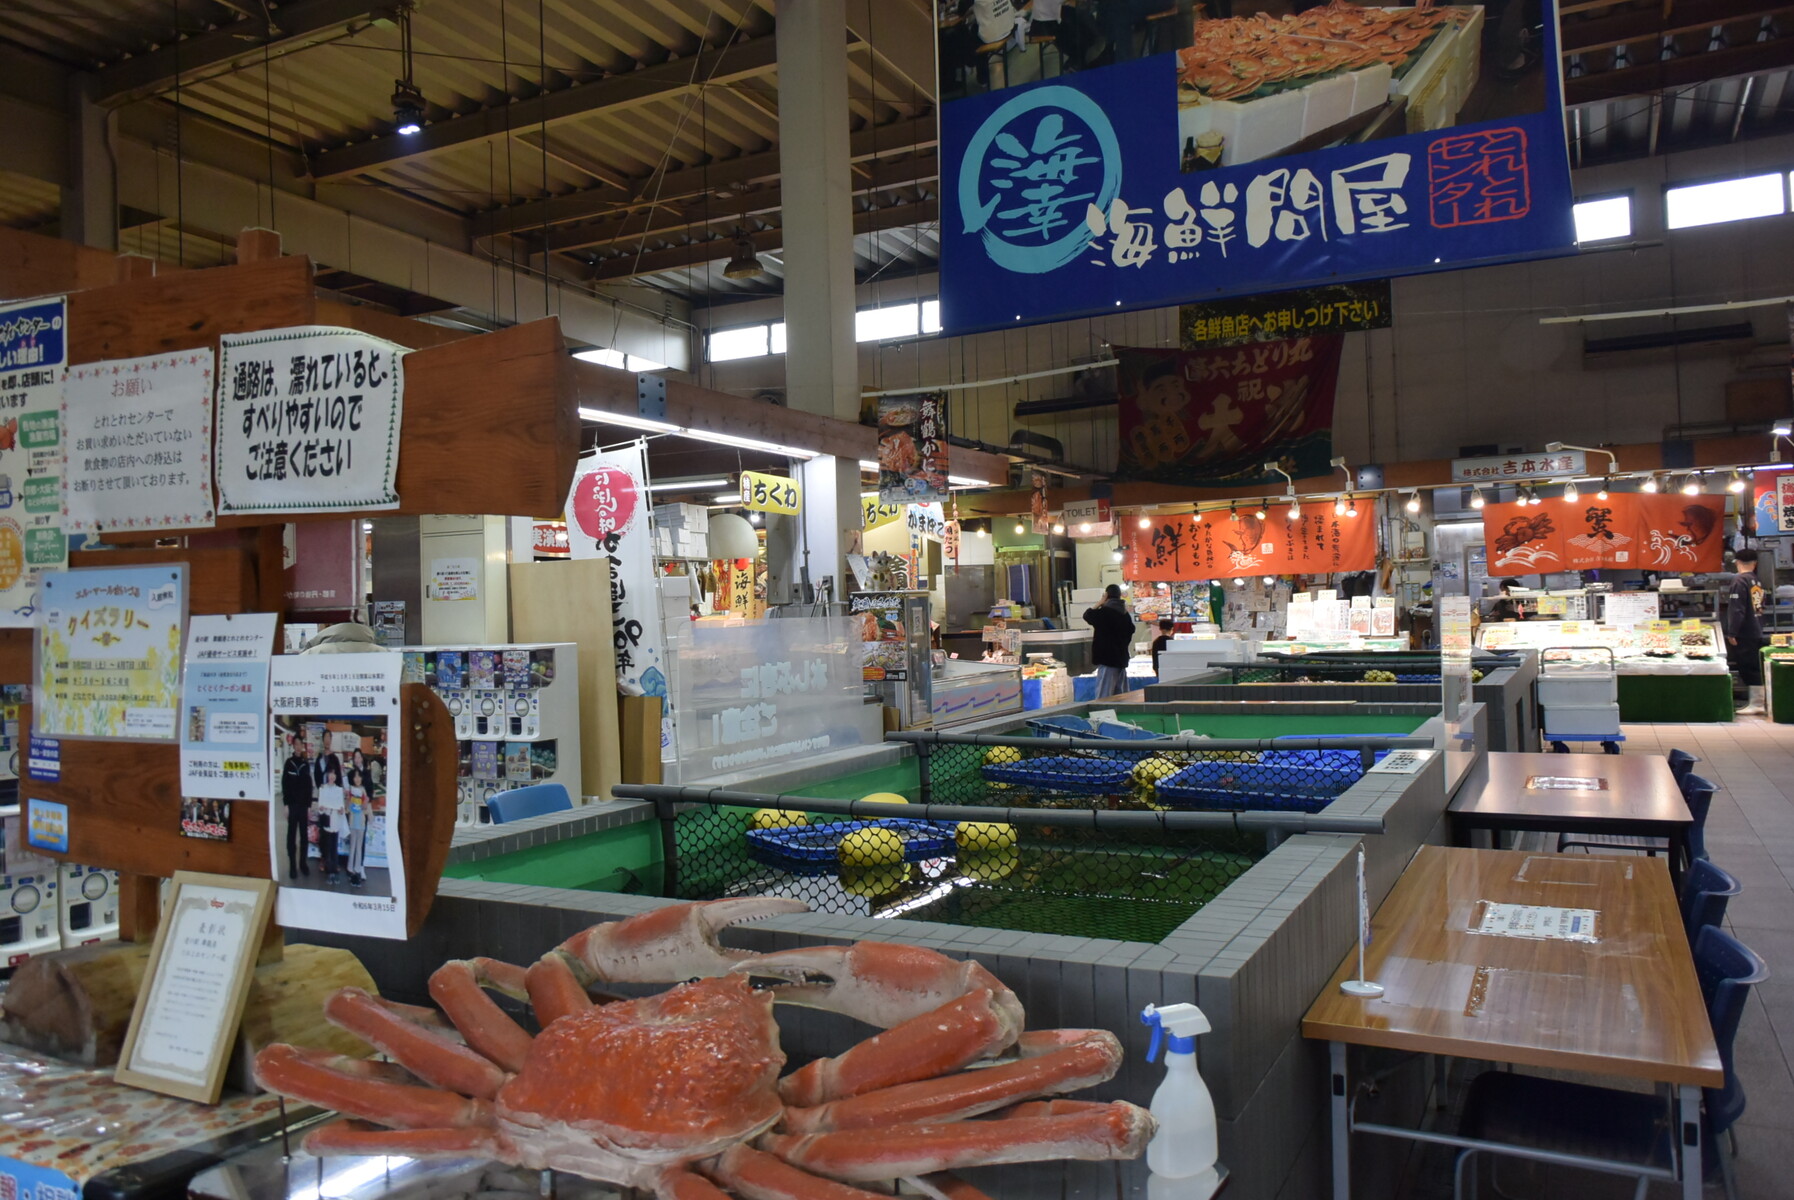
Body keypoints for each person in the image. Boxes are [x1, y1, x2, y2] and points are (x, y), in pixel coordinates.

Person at [1722, 547, 1766, 715]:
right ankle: (1758, 702)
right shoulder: (1756, 580)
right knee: (1754, 665)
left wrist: (1732, 632)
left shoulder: (1739, 581)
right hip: (1756, 628)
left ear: (1737, 562)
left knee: (1748, 667)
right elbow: (1761, 606)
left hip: (1745, 631)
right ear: (1755, 563)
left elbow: (1737, 609)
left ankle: (1757, 703)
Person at [1083, 583, 1138, 697]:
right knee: (1121, 696)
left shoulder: (1104, 613)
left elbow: (1087, 615)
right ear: (1120, 596)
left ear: (1106, 595)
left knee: (1104, 696)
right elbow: (1132, 629)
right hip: (1121, 660)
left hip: (1107, 660)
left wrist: (1100, 602)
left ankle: (1104, 711)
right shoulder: (1125, 615)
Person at [279, 740, 314, 880]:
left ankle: (303, 864)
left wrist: (309, 806)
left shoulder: (305, 764)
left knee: (304, 837)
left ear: (302, 746)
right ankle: (292, 865)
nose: (298, 747)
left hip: (304, 806)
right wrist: (286, 805)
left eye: (300, 744)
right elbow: (285, 785)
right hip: (292, 806)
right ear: (293, 746)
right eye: (296, 744)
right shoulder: (289, 763)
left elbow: (309, 786)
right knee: (291, 836)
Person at [315, 767, 346, 883]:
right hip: (327, 820)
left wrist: (341, 810)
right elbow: (320, 808)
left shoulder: (339, 790)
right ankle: (329, 871)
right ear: (327, 775)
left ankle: (334, 871)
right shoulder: (323, 789)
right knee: (327, 847)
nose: (332, 776)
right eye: (330, 774)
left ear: (336, 776)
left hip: (336, 820)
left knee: (334, 847)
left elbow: (341, 807)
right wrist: (321, 808)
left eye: (334, 774)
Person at [343, 768, 369, 888]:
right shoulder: (350, 790)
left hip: (361, 822)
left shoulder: (363, 790)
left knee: (359, 847)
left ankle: (357, 870)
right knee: (352, 846)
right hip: (353, 822)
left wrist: (365, 802)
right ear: (352, 778)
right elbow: (347, 809)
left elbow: (365, 807)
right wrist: (348, 799)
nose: (357, 779)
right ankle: (350, 869)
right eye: (355, 776)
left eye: (359, 776)